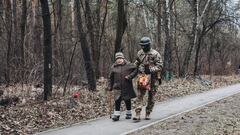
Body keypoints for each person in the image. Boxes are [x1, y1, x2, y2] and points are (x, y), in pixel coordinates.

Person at [133, 37, 163, 120]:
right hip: (143, 77)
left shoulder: (155, 54)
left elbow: (160, 66)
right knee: (139, 95)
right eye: (141, 45)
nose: (143, 47)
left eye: (144, 45)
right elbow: (137, 62)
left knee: (151, 97)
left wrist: (150, 69)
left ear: (149, 45)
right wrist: (132, 68)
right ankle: (137, 114)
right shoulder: (140, 53)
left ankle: (148, 113)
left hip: (153, 78)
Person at [107, 52, 138, 121]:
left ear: (123, 58)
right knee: (117, 101)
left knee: (127, 100)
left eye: (120, 58)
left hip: (127, 86)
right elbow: (110, 78)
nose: (119, 60)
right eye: (117, 59)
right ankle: (116, 115)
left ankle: (129, 113)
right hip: (117, 88)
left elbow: (136, 69)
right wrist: (110, 86)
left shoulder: (129, 65)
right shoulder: (113, 67)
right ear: (116, 60)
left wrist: (130, 76)